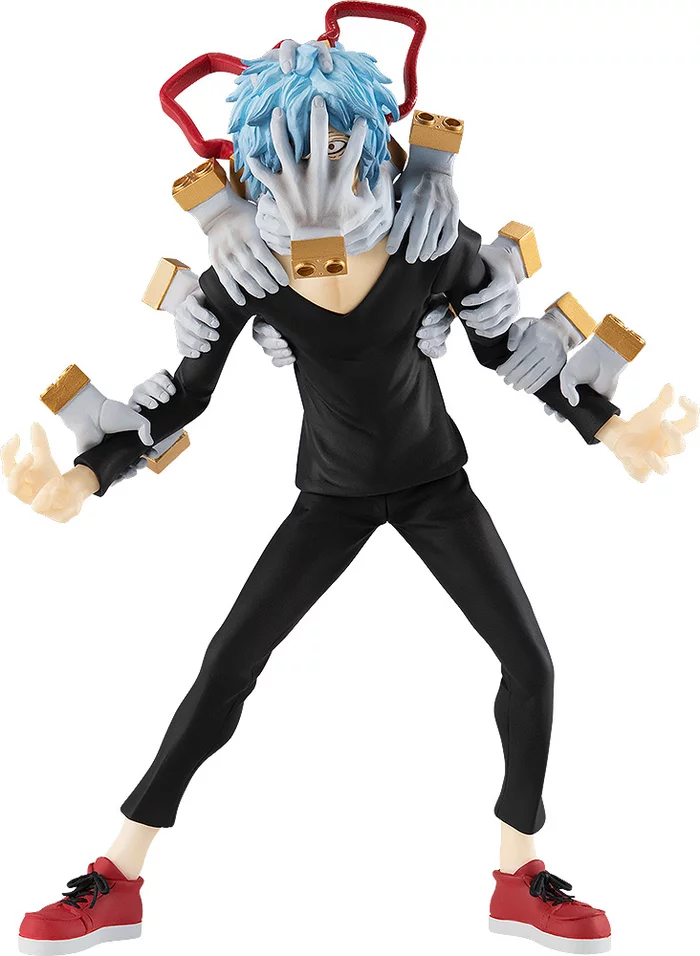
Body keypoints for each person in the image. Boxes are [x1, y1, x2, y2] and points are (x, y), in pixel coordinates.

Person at [5, 42, 696, 956]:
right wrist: (86, 476)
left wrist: (609, 427)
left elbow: (510, 353)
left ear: (372, 142)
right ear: (254, 160)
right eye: (291, 152)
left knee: (531, 665)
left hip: (435, 485)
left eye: (336, 147)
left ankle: (518, 871)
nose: (316, 177)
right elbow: (180, 398)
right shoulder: (245, 273)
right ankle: (118, 875)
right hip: (329, 495)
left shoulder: (429, 244)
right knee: (227, 666)